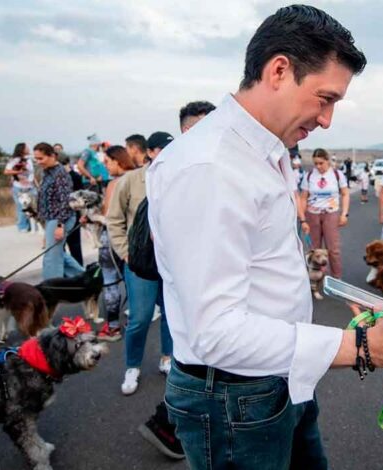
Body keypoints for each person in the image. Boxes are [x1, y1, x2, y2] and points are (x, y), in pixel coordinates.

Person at [146, 6, 383, 468]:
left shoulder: (265, 151)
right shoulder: (210, 167)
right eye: (324, 98)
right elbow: (215, 332)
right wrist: (366, 348)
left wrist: (380, 314)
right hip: (234, 397)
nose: (327, 120)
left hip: (278, 378)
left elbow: (267, 273)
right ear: (279, 70)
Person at [138, 100, 217, 461]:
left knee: (202, 362)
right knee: (201, 364)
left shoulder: (198, 169)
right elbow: (164, 236)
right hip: (194, 287)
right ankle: (168, 425)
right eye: (207, 125)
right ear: (187, 130)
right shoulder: (174, 172)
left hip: (201, 286)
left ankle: (170, 425)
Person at [108, 131, 175, 395]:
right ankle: (132, 365)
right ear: (150, 152)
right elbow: (114, 220)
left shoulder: (177, 180)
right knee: (140, 317)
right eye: (161, 150)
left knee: (171, 314)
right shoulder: (131, 181)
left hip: (169, 262)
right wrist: (126, 252)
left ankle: (168, 357)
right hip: (140, 264)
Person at [96, 146, 137, 342]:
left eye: (107, 162)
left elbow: (109, 215)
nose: (106, 166)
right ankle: (134, 320)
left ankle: (112, 327)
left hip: (112, 239)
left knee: (110, 282)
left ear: (117, 160)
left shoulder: (116, 183)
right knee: (131, 282)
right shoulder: (138, 178)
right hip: (132, 240)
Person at [33, 143, 85, 280]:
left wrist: (60, 225)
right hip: (51, 218)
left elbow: (65, 201)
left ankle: (52, 289)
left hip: (60, 218)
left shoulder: (60, 174)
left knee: (52, 258)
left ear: (51, 156)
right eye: (36, 159)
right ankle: (86, 278)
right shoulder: (47, 172)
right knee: (58, 254)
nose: (38, 162)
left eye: (41, 158)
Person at [299, 148, 349, 277]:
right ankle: (316, 277)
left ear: (327, 161)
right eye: (315, 163)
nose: (318, 166)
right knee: (314, 249)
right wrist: (303, 219)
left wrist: (344, 214)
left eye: (321, 163)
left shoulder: (337, 174)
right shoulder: (309, 175)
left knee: (333, 249)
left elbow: (345, 194)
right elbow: (303, 197)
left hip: (330, 213)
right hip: (313, 214)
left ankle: (336, 278)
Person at [4, 143, 37, 233]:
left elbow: (32, 173)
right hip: (19, 186)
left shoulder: (29, 159)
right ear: (22, 149)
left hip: (30, 185)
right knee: (21, 206)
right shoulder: (15, 160)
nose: (28, 148)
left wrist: (36, 184)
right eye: (26, 147)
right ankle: (23, 226)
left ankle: (33, 225)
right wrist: (18, 171)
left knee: (34, 206)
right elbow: (6, 171)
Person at [59, 154, 85, 266]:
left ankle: (77, 270)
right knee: (70, 246)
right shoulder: (75, 176)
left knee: (73, 246)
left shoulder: (71, 177)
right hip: (70, 214)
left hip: (72, 213)